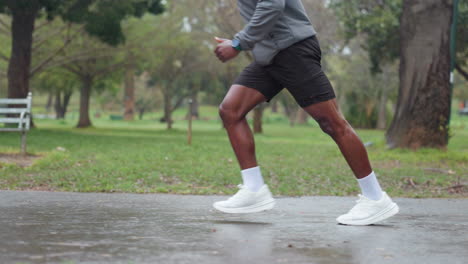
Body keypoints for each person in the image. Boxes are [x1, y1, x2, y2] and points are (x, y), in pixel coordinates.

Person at [212, 0, 399, 225]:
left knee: (333, 123)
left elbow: (272, 5)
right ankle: (253, 190)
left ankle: (375, 198)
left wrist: (238, 43)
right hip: (269, 54)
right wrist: (239, 41)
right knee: (231, 111)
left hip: (292, 51)